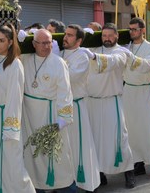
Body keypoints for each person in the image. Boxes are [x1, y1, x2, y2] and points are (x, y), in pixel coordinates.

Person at [0, 24, 35, 193]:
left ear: (11, 42)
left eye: (2, 41)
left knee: (10, 162)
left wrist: (10, 129)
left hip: (3, 118)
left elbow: (15, 98)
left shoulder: (14, 65)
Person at [21, 29, 76, 193]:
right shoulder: (25, 60)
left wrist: (62, 120)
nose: (47, 46)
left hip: (51, 116)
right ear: (34, 44)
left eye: (49, 42)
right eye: (43, 43)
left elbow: (65, 93)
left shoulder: (58, 63)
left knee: (58, 159)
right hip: (29, 117)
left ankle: (68, 189)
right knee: (33, 158)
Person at [88, 23, 136, 189]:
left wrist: (94, 58)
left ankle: (129, 173)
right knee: (95, 140)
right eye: (103, 35)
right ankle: (100, 174)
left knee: (119, 139)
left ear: (116, 36)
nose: (106, 38)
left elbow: (114, 62)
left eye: (109, 35)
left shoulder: (121, 52)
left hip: (111, 101)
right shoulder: (94, 50)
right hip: (92, 102)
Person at [122, 18, 150, 178]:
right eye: (130, 29)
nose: (132, 32)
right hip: (128, 90)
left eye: (135, 29)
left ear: (142, 30)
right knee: (132, 129)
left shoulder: (149, 47)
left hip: (144, 91)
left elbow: (147, 65)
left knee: (149, 128)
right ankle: (138, 161)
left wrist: (131, 58)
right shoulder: (126, 45)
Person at [60, 24, 101, 193]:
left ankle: (87, 184)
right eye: (65, 34)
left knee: (80, 147)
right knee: (64, 147)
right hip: (61, 108)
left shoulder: (82, 56)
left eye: (70, 35)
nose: (65, 37)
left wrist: (54, 62)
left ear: (79, 40)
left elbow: (69, 77)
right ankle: (65, 182)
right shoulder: (60, 53)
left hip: (76, 107)